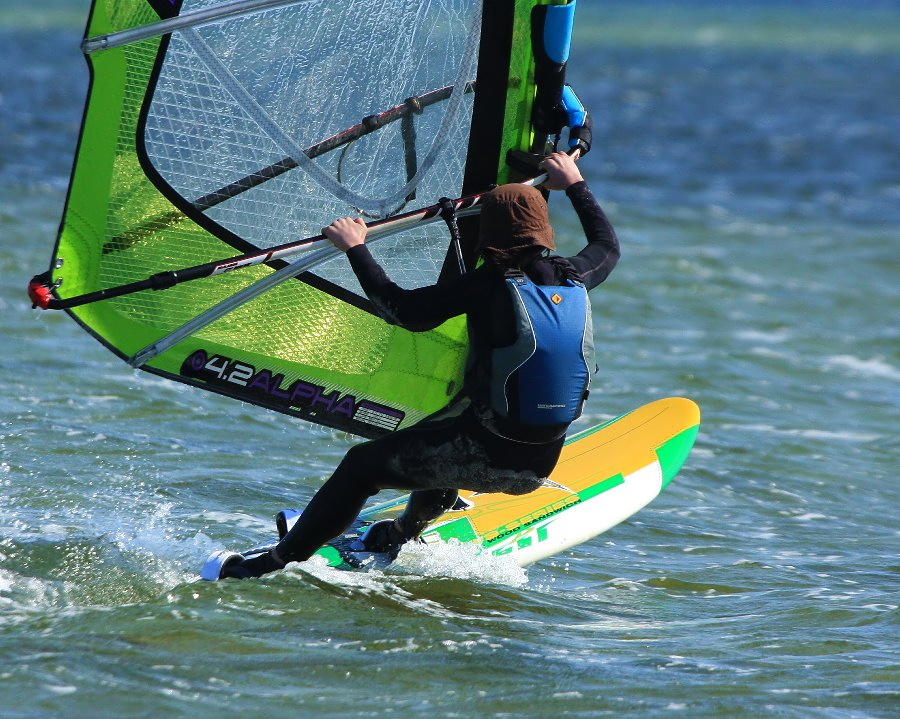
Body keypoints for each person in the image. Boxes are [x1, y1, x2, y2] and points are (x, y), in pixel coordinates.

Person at [220, 151, 620, 579]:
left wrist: (355, 247)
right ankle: (403, 530)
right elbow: (607, 245)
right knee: (444, 423)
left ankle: (271, 563)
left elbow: (404, 311)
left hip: (485, 457)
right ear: (544, 230)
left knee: (360, 467)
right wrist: (576, 183)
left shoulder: (489, 285)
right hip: (541, 463)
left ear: (490, 233)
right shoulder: (577, 273)